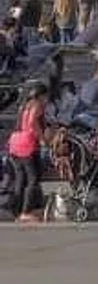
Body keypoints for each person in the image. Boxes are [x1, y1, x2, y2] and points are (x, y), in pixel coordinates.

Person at [7, 82, 49, 224]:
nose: (46, 99)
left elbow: (21, 123)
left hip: (14, 142)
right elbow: (32, 123)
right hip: (27, 143)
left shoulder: (24, 105)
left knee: (20, 178)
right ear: (41, 95)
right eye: (46, 96)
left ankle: (16, 211)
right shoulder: (37, 104)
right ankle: (26, 212)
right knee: (33, 178)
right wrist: (42, 138)